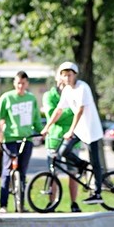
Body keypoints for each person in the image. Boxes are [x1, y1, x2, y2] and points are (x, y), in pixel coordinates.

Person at [41, 61, 105, 205]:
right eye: (64, 75)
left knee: (95, 161)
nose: (67, 78)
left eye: (69, 75)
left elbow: (80, 111)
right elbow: (58, 110)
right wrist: (47, 127)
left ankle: (98, 193)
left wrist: (70, 130)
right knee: (64, 150)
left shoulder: (83, 88)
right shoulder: (67, 91)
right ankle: (82, 165)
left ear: (75, 75)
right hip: (78, 129)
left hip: (91, 130)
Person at [0, 71, 42, 213]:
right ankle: (3, 205)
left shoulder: (31, 98)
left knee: (22, 172)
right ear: (14, 83)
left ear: (27, 84)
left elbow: (36, 118)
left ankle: (20, 205)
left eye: (23, 83)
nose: (20, 86)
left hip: (26, 139)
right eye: (18, 83)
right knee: (7, 171)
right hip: (10, 139)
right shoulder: (7, 98)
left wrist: (41, 132)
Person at [42, 72, 81, 212]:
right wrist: (71, 111)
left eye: (67, 76)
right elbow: (52, 114)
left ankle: (74, 203)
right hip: (54, 139)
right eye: (61, 76)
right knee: (53, 173)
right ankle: (51, 203)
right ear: (57, 78)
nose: (64, 80)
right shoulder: (49, 96)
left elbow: (79, 112)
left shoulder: (75, 94)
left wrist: (60, 113)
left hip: (72, 140)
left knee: (73, 172)